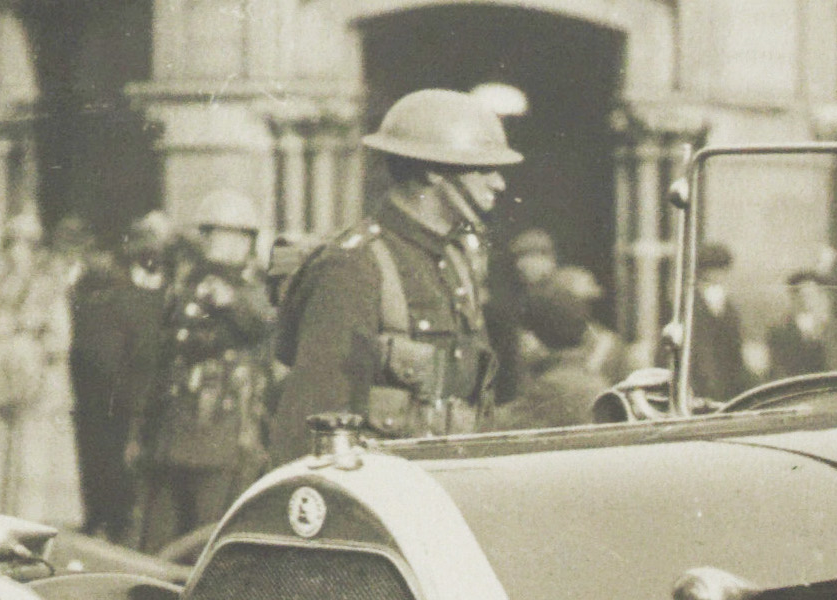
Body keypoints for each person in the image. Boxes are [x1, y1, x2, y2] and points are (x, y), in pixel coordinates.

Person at [268, 89, 518, 462]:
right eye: (483, 168)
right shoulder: (354, 266)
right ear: (433, 170)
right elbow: (311, 426)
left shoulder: (455, 259)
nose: (498, 183)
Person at [138, 191, 279, 549]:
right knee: (161, 539)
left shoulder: (254, 291)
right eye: (213, 234)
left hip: (224, 435)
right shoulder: (187, 287)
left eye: (230, 235)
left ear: (247, 240)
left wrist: (229, 300)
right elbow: (165, 354)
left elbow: (261, 325)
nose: (219, 244)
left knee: (210, 534)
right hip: (175, 432)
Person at [0, 212, 86, 526]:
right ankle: (0, 527)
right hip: (9, 397)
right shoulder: (2, 289)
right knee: (1, 466)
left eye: (24, 246)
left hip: (41, 396)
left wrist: (29, 339)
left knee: (35, 468)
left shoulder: (49, 290)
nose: (16, 254)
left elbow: (61, 340)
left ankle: (31, 532)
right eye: (11, 246)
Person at [68, 211, 173, 541]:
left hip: (151, 389)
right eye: (144, 241)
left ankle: (130, 521)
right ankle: (110, 518)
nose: (150, 251)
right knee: (108, 458)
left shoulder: (171, 290)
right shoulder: (113, 289)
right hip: (114, 393)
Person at [491, 228, 611, 430]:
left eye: (534, 256)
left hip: (569, 376)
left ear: (550, 259)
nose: (524, 264)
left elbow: (599, 338)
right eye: (520, 257)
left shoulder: (566, 287)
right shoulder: (519, 298)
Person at [681, 242, 752, 402]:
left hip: (728, 383)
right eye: (711, 270)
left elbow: (735, 345)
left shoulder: (729, 306)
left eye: (721, 270)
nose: (717, 275)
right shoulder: (688, 305)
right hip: (698, 383)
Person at [765, 269, 837, 380]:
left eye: (811, 294)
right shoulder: (778, 332)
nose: (806, 300)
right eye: (801, 295)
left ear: (821, 295)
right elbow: (776, 371)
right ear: (793, 297)